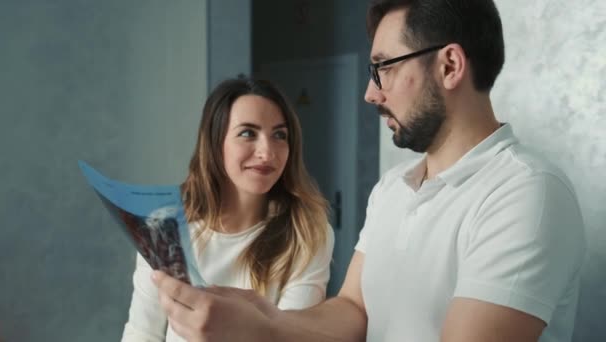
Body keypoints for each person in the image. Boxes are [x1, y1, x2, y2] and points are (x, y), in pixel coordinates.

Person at [150, 0, 587, 341]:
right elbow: (353, 312)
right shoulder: (392, 188)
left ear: (450, 65)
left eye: (384, 68)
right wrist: (263, 320)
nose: (370, 94)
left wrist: (261, 331)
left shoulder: (525, 193)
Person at [121, 78, 335, 341]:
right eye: (248, 133)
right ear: (215, 143)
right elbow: (143, 333)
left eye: (279, 135)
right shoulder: (163, 228)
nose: (267, 152)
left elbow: (292, 337)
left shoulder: (308, 232)